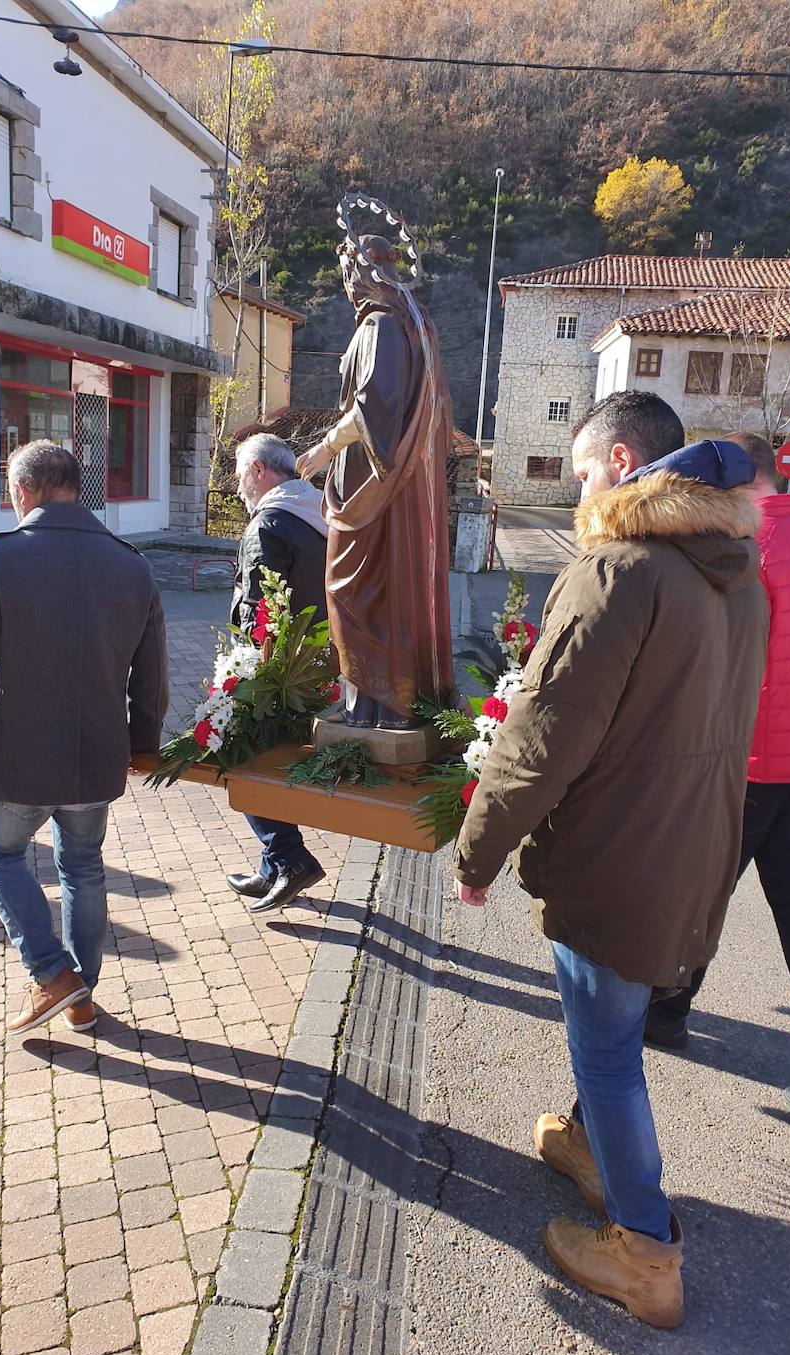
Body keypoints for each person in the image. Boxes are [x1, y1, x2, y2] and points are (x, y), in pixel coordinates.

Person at [453, 391, 768, 1328]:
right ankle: (590, 1147)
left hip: (617, 854)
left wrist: (477, 852)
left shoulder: (617, 572)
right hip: (694, 842)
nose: (583, 489)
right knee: (615, 1029)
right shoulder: (737, 576)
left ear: (622, 463)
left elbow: (540, 739)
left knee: (608, 1044)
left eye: (585, 471)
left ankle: (644, 1250)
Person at [645, 431, 790, 1121]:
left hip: (755, 761)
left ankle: (667, 1012)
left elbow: (720, 668)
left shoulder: (741, 554)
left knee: (701, 890)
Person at [0, 440, 168, 1034]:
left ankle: (52, 974)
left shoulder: (2, 557)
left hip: (20, 758)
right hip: (96, 757)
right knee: (83, 866)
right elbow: (153, 674)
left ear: (22, 492)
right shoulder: (131, 563)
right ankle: (80, 996)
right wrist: (143, 745)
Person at [297, 226, 453, 727]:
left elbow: (372, 408)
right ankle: (374, 706)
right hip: (393, 481)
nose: (345, 284)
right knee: (383, 591)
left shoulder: (381, 326)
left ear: (361, 270)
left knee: (353, 590)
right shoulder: (413, 325)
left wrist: (322, 450)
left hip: (371, 486)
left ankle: (375, 705)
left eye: (346, 272)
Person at [227, 433, 329, 912]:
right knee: (273, 760)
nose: (237, 483)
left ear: (260, 471)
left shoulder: (269, 522)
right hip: (322, 663)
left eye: (240, 472)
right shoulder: (323, 512)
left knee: (237, 753)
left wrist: (246, 671)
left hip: (279, 669)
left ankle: (288, 858)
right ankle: (273, 865)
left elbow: (259, 609)